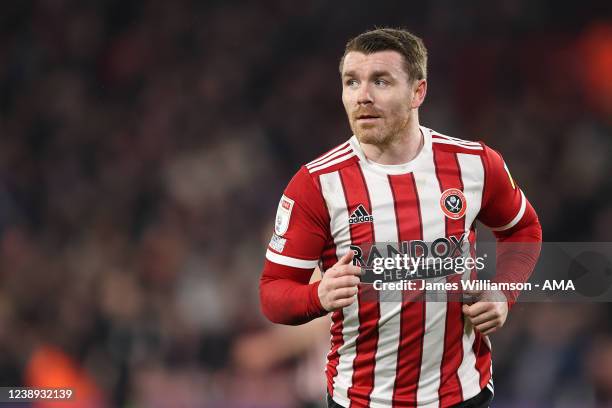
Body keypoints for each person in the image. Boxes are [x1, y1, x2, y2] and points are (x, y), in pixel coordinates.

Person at [259, 28, 542, 408]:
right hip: (360, 400)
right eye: (351, 82)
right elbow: (274, 292)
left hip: (462, 396)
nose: (363, 96)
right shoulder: (316, 184)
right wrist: (317, 296)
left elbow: (523, 229)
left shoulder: (474, 164)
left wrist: (503, 294)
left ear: (417, 92)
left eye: (381, 81)